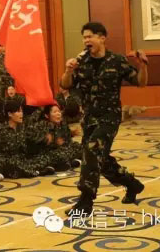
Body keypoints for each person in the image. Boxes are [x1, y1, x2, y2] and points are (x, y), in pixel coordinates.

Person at [61, 22, 148, 216]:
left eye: (90, 36)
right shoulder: (81, 62)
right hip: (89, 118)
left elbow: (140, 82)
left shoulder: (117, 61)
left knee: (92, 150)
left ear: (102, 38)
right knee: (101, 159)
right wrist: (68, 70)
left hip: (109, 117)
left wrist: (143, 66)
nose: (86, 40)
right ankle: (132, 184)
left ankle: (85, 201)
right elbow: (65, 85)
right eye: (84, 37)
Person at [0, 99, 52, 179]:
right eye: (18, 111)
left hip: (22, 159)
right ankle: (36, 172)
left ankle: (30, 170)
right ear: (10, 114)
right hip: (7, 160)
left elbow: (33, 135)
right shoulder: (1, 129)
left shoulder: (23, 127)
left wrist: (44, 137)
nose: (21, 114)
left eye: (22, 111)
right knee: (13, 163)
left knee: (43, 157)